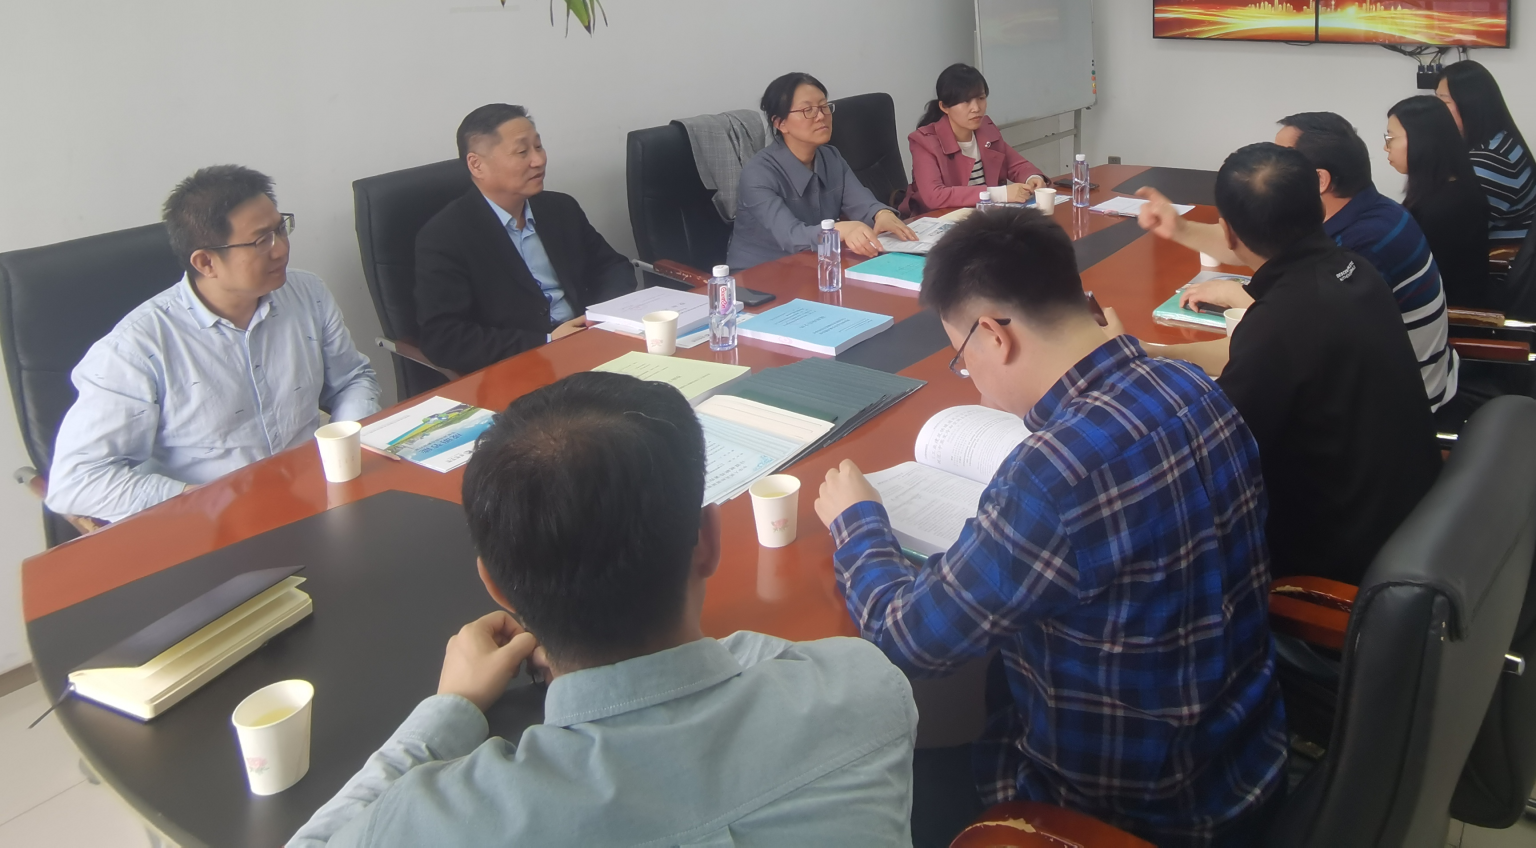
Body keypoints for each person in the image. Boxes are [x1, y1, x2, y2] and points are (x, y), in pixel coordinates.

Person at [814, 211, 1285, 848]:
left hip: (1128, 815)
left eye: (961, 358)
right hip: (1244, 758)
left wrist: (857, 521)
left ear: (992, 335)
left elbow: (905, 639)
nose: (972, 381)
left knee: (874, 789)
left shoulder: (1052, 475)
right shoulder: (1192, 383)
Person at [288, 372, 916, 847]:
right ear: (707, 540)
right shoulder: (867, 692)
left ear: (496, 587)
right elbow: (761, 656)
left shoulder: (435, 822)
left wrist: (451, 708)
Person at [1136, 143, 1442, 586]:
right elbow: (1265, 351)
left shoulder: (1280, 322)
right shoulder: (1354, 269)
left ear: (1229, 233)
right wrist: (1155, 352)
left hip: (1339, 562)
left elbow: (1208, 454)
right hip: (1408, 517)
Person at [44, 166, 380, 526]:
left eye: (280, 229)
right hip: (210, 524)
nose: (281, 249)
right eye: (261, 241)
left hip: (316, 496)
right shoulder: (136, 350)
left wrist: (343, 448)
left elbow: (352, 379)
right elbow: (76, 482)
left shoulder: (308, 294)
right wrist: (206, 500)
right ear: (206, 262)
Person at [1136, 113, 1456, 409]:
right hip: (1394, 396)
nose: (1274, 164)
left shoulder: (1360, 247)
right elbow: (1255, 246)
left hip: (1401, 406)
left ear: (1319, 180)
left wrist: (1154, 351)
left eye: (1284, 157)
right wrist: (1179, 228)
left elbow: (1279, 337)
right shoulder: (1367, 218)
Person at [414, 105, 636, 374]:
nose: (538, 160)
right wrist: (547, 340)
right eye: (522, 152)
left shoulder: (560, 209)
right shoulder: (445, 237)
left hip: (591, 343)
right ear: (476, 164)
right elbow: (445, 338)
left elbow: (613, 266)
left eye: (538, 147)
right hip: (520, 366)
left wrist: (598, 318)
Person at [728, 73, 914, 270]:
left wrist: (881, 214)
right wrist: (839, 230)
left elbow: (862, 203)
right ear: (780, 123)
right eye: (807, 110)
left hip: (811, 265)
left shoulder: (831, 157)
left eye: (824, 106)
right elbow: (791, 236)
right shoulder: (757, 173)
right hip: (758, 274)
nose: (820, 116)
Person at [1387, 96, 1493, 309]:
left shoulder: (1446, 207)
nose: (1386, 147)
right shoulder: (1444, 187)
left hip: (1450, 313)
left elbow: (1425, 279)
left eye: (1391, 137)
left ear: (1422, 139)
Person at [905, 63, 1047, 213]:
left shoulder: (986, 130)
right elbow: (935, 196)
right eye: (966, 101)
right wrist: (1000, 194)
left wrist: (1032, 177)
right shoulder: (924, 142)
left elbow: (1016, 165)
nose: (976, 108)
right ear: (944, 107)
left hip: (984, 216)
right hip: (942, 218)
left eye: (981, 98)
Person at [1439, 58, 1536, 246]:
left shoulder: (1491, 161)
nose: (1436, 109)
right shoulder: (1500, 140)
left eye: (1444, 101)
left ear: (1470, 104)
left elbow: (1454, 232)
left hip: (1497, 256)